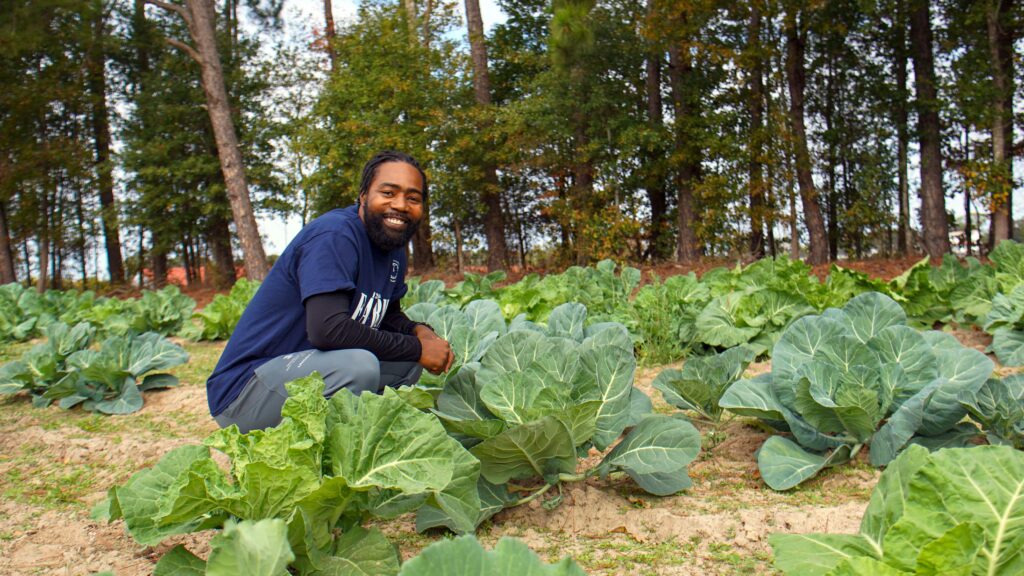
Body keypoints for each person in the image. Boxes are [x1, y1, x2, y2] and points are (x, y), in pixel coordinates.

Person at [206, 151, 454, 432]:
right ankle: (311, 456)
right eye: (388, 192)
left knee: (408, 362)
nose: (400, 205)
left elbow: (387, 316)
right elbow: (327, 329)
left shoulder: (392, 247)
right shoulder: (335, 236)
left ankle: (357, 445)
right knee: (360, 366)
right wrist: (417, 347)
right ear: (363, 196)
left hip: (306, 374)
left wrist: (419, 331)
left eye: (413, 198)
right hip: (245, 392)